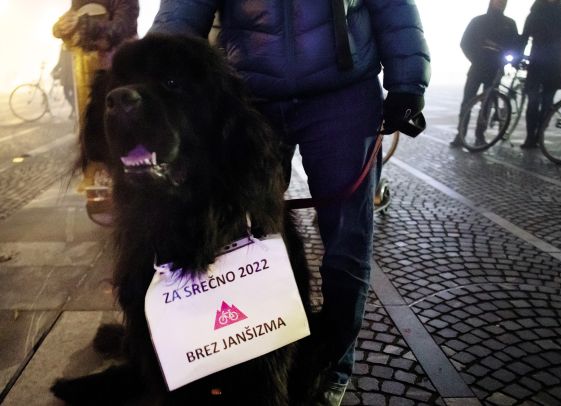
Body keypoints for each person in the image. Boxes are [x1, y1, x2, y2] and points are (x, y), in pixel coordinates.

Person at [150, 1, 430, 404]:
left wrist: (408, 81)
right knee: (242, 242)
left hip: (343, 97)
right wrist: (153, 77)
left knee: (347, 245)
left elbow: (392, 5)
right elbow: (181, 10)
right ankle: (254, 356)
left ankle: (333, 363)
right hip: (249, 98)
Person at [52, 0, 139, 191]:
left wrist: (82, 24)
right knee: (92, 128)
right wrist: (62, 26)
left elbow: (121, 27)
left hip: (118, 71)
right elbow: (71, 21)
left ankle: (126, 180)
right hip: (87, 73)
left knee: (121, 126)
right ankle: (99, 176)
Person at [450, 0, 519, 147]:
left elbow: (515, 46)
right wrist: (476, 57)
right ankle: (460, 135)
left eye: (502, 1)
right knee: (468, 101)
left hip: (496, 69)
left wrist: (506, 58)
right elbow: (465, 42)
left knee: (487, 103)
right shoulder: (478, 21)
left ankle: (479, 135)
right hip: (477, 67)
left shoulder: (510, 24)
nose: (500, 3)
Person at [519, 0, 561, 149]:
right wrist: (518, 55)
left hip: (556, 62)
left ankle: (538, 136)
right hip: (538, 61)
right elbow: (525, 35)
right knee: (533, 101)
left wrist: (556, 31)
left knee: (547, 102)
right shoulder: (536, 10)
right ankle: (530, 137)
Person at [52, 45, 76, 117]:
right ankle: (74, 108)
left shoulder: (72, 47)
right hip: (66, 75)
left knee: (73, 94)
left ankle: (74, 109)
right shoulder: (62, 48)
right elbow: (60, 61)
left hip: (72, 74)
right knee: (66, 93)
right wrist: (54, 69)